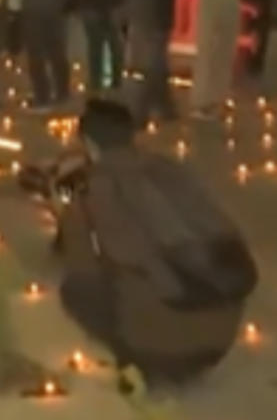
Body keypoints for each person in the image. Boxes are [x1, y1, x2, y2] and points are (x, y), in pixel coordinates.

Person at [31, 99, 256, 386]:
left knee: (75, 291)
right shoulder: (170, 169)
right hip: (220, 339)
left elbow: (83, 268)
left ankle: (133, 360)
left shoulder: (93, 189)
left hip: (159, 346)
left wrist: (66, 215)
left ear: (87, 142)